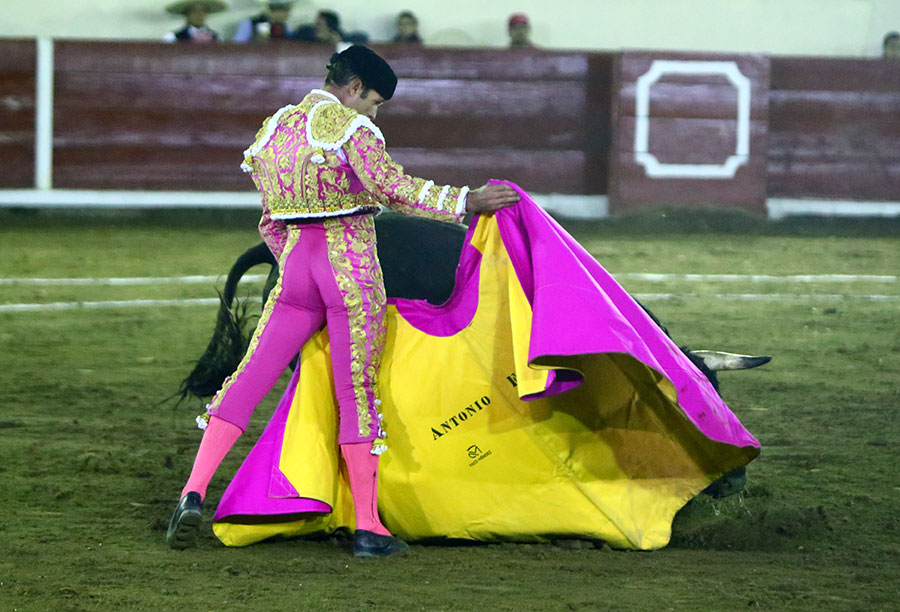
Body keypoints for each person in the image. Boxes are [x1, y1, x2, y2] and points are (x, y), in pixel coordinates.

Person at [166, 45, 519, 557]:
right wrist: (466, 200)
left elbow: (268, 218)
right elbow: (391, 189)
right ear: (354, 88)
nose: (374, 113)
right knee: (356, 392)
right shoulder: (352, 129)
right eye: (374, 101)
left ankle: (192, 492)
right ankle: (369, 526)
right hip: (347, 266)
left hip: (295, 272)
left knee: (246, 379)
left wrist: (295, 261)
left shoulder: (275, 130)